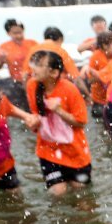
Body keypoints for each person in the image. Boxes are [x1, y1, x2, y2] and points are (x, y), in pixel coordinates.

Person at [26, 50, 92, 195]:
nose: (33, 68)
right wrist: (33, 121)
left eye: (39, 64)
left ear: (54, 73)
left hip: (75, 151)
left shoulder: (69, 89)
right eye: (34, 63)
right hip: (48, 150)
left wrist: (59, 111)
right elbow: (36, 114)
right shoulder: (32, 85)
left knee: (82, 196)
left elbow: (81, 122)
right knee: (58, 192)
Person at [0, 19, 38, 96]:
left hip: (35, 81)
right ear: (8, 33)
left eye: (20, 32)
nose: (19, 35)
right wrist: (1, 61)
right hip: (17, 84)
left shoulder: (32, 43)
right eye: (15, 33)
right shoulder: (4, 47)